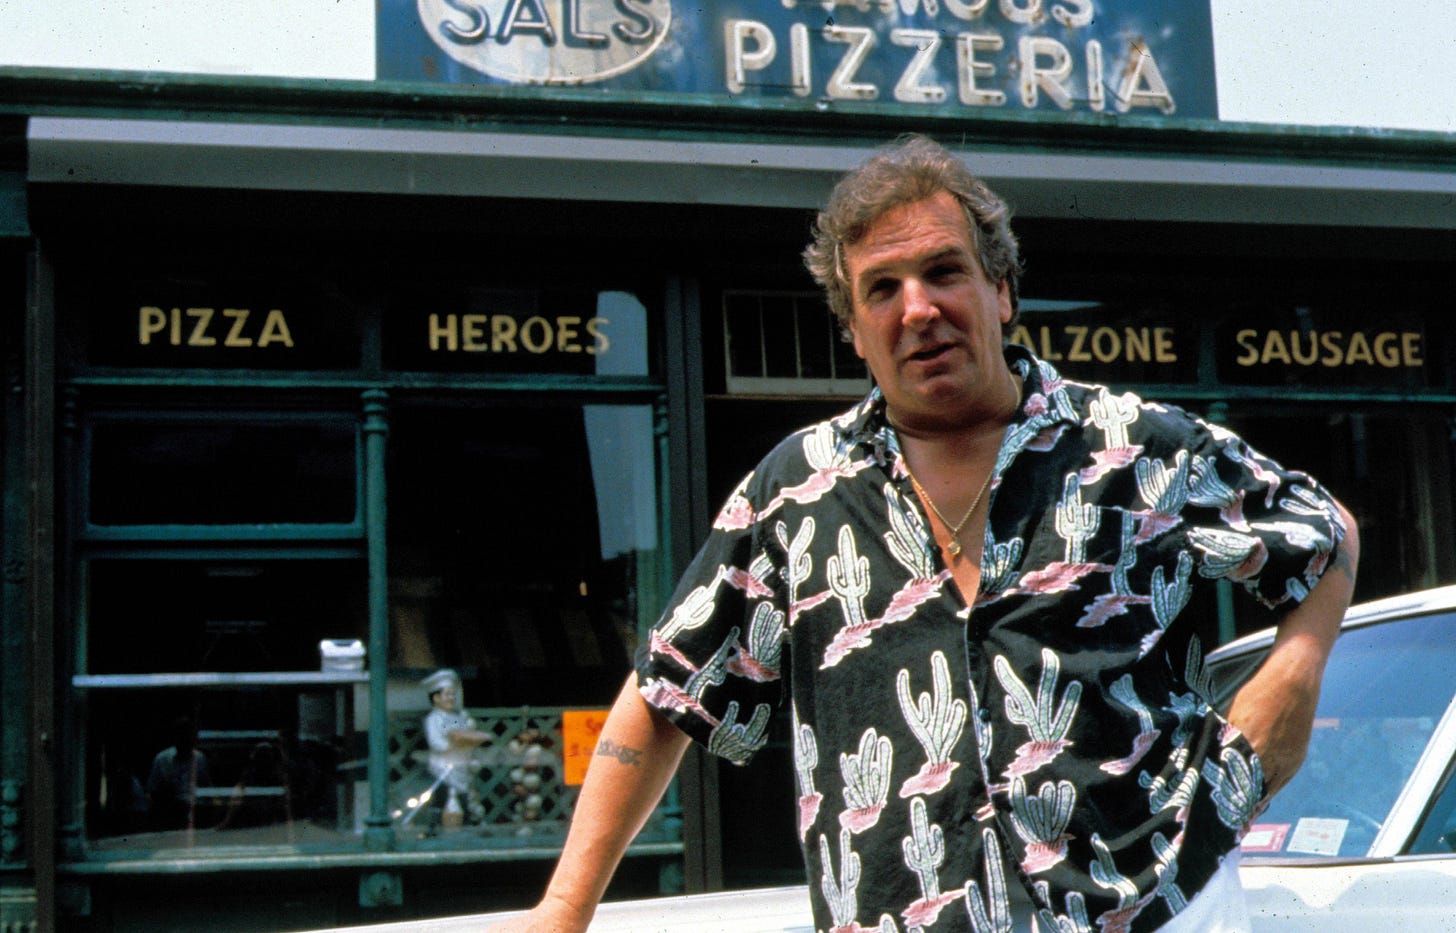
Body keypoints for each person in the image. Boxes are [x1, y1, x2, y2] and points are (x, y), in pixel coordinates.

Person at [494, 135, 1359, 933]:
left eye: (944, 271)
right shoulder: (796, 492)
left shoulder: (1133, 444)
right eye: (883, 288)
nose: (919, 309)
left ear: (1001, 290)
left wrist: (1291, 680)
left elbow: (1324, 533)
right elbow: (669, 690)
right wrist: (565, 905)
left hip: (1158, 905)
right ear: (854, 331)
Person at [421, 668, 493, 825]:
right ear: (436, 698)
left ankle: (467, 823)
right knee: (442, 799)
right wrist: (454, 744)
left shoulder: (456, 717)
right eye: (447, 694)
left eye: (453, 694)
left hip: (461, 766)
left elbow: (462, 733)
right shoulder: (433, 719)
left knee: (464, 798)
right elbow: (437, 743)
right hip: (442, 768)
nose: (451, 698)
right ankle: (435, 826)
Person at [146, 716, 212, 831]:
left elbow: (206, 787)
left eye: (189, 735)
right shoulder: (162, 759)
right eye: (182, 735)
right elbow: (152, 791)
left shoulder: (200, 758)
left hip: (196, 808)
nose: (186, 739)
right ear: (175, 737)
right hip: (171, 809)